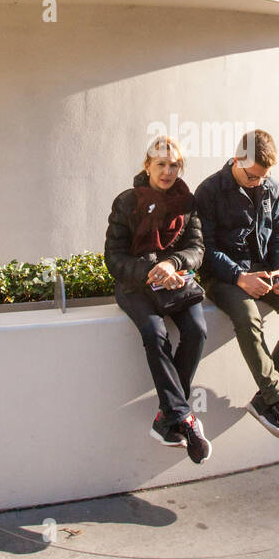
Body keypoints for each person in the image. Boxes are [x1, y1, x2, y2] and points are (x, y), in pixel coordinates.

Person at [194, 130, 279, 450]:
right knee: (248, 319)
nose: (259, 182)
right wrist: (239, 277)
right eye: (253, 176)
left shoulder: (271, 187)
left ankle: (263, 402)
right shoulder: (208, 191)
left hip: (267, 272)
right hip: (223, 277)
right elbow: (204, 248)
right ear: (236, 160)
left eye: (265, 176)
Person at [104, 135, 211, 464]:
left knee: (197, 330)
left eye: (174, 165)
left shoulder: (188, 204)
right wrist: (150, 270)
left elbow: (196, 248)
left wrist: (173, 264)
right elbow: (113, 257)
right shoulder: (126, 202)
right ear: (147, 166)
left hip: (176, 281)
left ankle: (167, 417)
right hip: (136, 284)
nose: (167, 171)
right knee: (155, 334)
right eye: (161, 164)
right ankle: (184, 418)